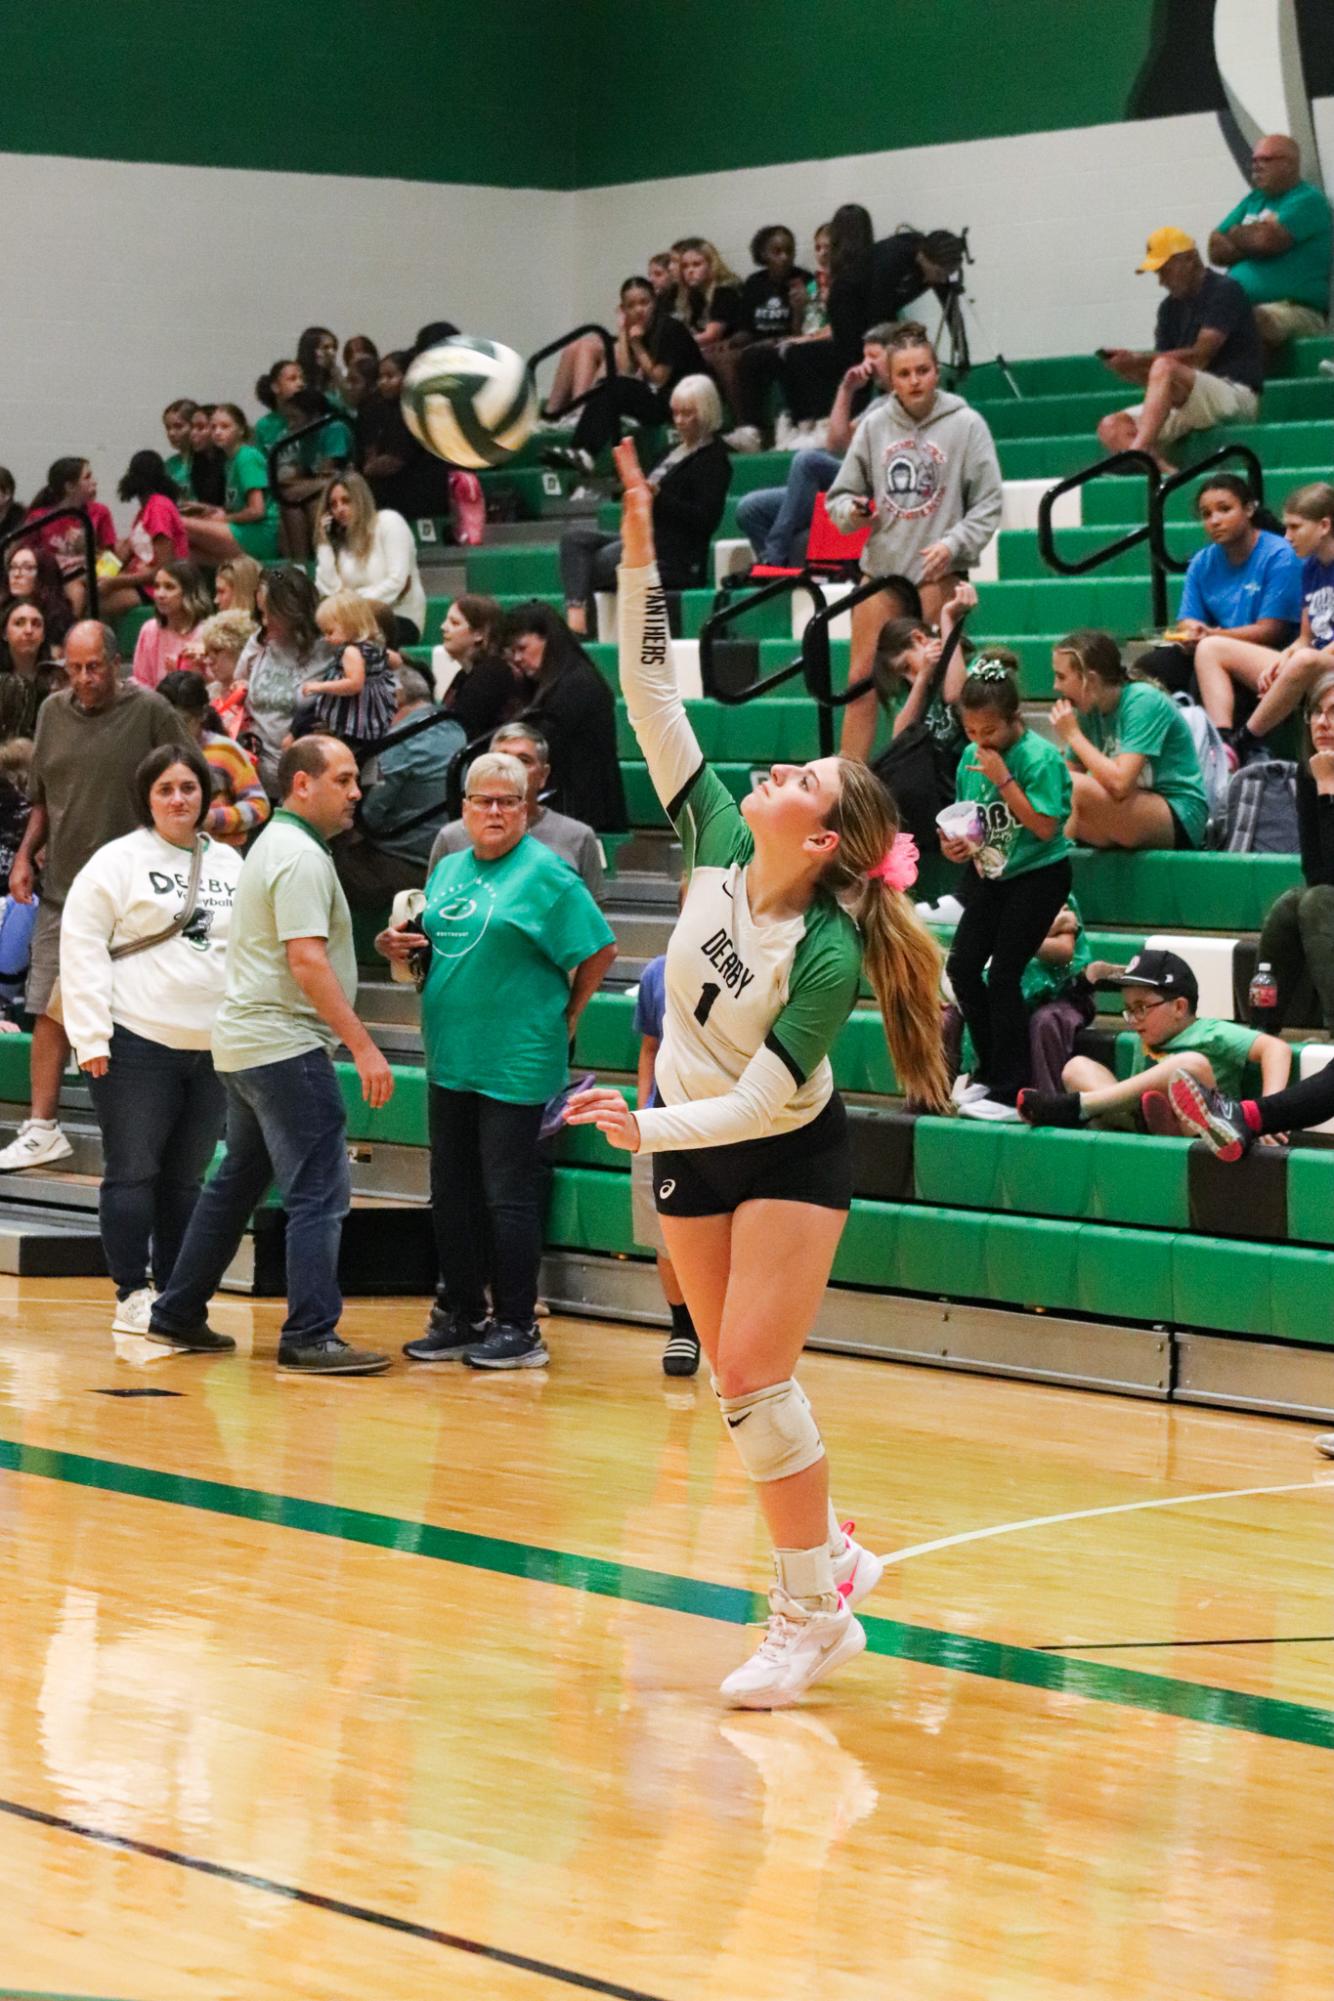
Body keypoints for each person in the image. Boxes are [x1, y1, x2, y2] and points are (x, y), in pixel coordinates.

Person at [566, 439, 949, 1708]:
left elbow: (756, 1106)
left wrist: (645, 1124)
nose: (772, 772)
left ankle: (807, 1614)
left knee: (749, 1372)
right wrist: (639, 546)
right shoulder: (721, 837)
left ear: (826, 834)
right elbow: (649, 689)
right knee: (736, 1388)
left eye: (800, 777)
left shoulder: (827, 955)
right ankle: (827, 1551)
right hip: (690, 1126)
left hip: (774, 1146)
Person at [145, 735, 393, 1374]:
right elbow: (305, 958)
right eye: (343, 779)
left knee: (235, 1187)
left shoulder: (276, 846)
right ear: (302, 785)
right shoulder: (301, 858)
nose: (356, 791)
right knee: (319, 1192)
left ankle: (176, 1311)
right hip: (283, 1045)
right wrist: (364, 1047)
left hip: (245, 1045)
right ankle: (310, 1334)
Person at [378, 749, 616, 1371]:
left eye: (507, 802)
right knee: (450, 1193)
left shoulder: (548, 874)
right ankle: (461, 1314)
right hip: (451, 1057)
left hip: (516, 1060)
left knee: (507, 1196)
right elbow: (427, 950)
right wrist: (391, 947)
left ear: (526, 807)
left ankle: (518, 1325)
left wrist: (569, 1013)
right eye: (482, 800)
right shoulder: (450, 866)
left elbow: (599, 949)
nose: (493, 811)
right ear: (464, 808)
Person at [58, 741, 243, 1337]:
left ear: (205, 795)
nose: (178, 799)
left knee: (186, 1178)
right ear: (146, 798)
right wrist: (91, 1038)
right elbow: (82, 947)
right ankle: (131, 1293)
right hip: (134, 1042)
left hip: (213, 1047)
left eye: (188, 787)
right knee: (133, 1171)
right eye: (165, 789)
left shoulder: (233, 865)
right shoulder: (117, 862)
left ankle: (175, 1299)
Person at [0, 621, 189, 1173]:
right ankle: (41, 1127)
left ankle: (144, 1136)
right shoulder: (51, 713)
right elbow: (42, 799)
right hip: (63, 889)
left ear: (117, 662)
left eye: (95, 667)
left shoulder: (152, 711)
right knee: (47, 1009)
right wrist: (23, 855)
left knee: (132, 1017)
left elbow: (188, 777)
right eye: (75, 669)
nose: (85, 679)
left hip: (135, 895)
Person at [828, 325, 1004, 760]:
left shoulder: (966, 424)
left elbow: (989, 502)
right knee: (861, 682)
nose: (914, 381)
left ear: (936, 371)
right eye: (904, 373)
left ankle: (950, 779)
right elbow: (839, 499)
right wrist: (854, 511)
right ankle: (849, 791)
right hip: (883, 571)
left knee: (945, 684)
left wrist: (955, 542)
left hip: (937, 570)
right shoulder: (873, 426)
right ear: (891, 377)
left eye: (922, 370)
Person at [939, 664, 1074, 1121]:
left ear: (1015, 716)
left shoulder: (1038, 758)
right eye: (971, 729)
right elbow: (974, 820)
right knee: (961, 967)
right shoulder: (970, 756)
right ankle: (989, 1070)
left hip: (1041, 874)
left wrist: (1003, 779)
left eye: (990, 729)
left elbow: (1044, 824)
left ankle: (1013, 1085)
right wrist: (956, 845)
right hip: (993, 874)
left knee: (1003, 975)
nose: (980, 738)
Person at [1019, 949, 1289, 1133]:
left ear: (1180, 1007)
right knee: (1076, 1067)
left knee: (1189, 1064)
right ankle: (1142, 1121)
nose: (1133, 1019)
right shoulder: (1146, 1032)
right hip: (1140, 1118)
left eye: (1141, 1007)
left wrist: (1270, 1114)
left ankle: (1080, 1106)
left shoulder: (1210, 1032)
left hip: (1205, 1131)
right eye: (1128, 1009)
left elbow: (1276, 1048)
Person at [559, 375, 730, 634]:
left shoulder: (714, 461)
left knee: (594, 563)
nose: (680, 421)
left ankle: (578, 628)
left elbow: (705, 520)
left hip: (673, 550)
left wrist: (659, 497)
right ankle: (577, 616)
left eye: (688, 414)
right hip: (642, 533)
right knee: (574, 540)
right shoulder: (668, 451)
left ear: (705, 413)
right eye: (676, 414)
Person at [1097, 230, 1264, 471]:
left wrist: (1140, 359)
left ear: (1190, 259)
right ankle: (1169, 476)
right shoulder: (1168, 308)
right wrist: (1129, 370)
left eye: (1164, 270)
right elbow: (1160, 378)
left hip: (1234, 395)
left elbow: (1200, 355)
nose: (1161, 280)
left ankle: (1140, 449)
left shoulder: (1225, 290)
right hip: (1188, 400)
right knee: (1111, 426)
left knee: (1164, 367)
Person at [1193, 481, 1334, 758]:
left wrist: (1296, 661)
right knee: (1211, 647)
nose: (1287, 535)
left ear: (1324, 526)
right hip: (1311, 665)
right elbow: (1305, 638)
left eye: (1295, 527)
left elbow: (1312, 652)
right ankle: (1222, 744)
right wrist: (1283, 660)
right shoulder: (1310, 570)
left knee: (1305, 660)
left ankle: (1242, 740)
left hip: (1322, 663)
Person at [735, 324, 895, 566]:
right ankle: (781, 570)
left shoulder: (901, 404)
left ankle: (775, 555)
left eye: (873, 357)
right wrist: (846, 389)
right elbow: (837, 443)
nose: (867, 365)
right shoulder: (878, 402)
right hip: (849, 481)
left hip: (873, 487)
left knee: (807, 460)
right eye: (864, 357)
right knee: (750, 508)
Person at [1134, 474, 1303, 698]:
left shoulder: (1280, 555)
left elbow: (1272, 630)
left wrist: (1214, 636)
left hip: (1271, 652)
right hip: (1214, 645)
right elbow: (1188, 618)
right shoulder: (1202, 562)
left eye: (1224, 509)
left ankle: (1219, 733)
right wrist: (1192, 631)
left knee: (1205, 670)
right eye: (1206, 514)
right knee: (1148, 668)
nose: (1214, 520)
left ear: (1249, 509)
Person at [1050, 629, 1209, 851]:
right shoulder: (1088, 711)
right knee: (1054, 788)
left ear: (1091, 679)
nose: (1055, 687)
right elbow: (1061, 781)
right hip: (1133, 807)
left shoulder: (1142, 701)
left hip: (1180, 813)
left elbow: (1120, 784)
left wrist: (1073, 736)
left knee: (1072, 786)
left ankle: (1055, 876)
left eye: (1061, 676)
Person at [1245, 670, 1334, 1032]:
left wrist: (1328, 791)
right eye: (1317, 712)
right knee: (1290, 905)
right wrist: (1324, 784)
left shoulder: (1322, 776)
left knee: (1316, 902)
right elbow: (1318, 869)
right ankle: (1261, 1033)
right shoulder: (1311, 771)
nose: (1323, 723)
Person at [430, 721, 603, 899]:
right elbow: (433, 911)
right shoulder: (451, 838)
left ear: (543, 775)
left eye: (524, 760)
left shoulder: (578, 837)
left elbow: (592, 921)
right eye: (501, 760)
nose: (512, 768)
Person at [335, 667, 462, 907]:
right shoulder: (454, 724)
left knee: (324, 855)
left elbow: (368, 818)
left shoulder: (399, 742)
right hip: (450, 854)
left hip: (408, 863)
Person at [631, 937, 700, 1376]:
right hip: (665, 1122)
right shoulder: (657, 973)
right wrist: (643, 1116)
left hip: (723, 1121)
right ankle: (682, 1328)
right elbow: (650, 1049)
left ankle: (724, 1332)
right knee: (665, 1234)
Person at [552, 277, 705, 474]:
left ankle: (585, 451)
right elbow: (625, 371)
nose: (639, 310)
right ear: (624, 309)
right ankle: (582, 452)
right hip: (663, 398)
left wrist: (636, 344)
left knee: (616, 387)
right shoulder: (637, 331)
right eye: (631, 305)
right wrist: (623, 332)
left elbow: (660, 378)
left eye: (644, 302)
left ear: (655, 302)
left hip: (688, 399)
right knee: (609, 384)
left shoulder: (670, 328)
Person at [503, 603, 627, 832]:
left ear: (548, 640)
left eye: (522, 648)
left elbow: (544, 746)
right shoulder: (563, 682)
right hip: (577, 808)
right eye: (513, 652)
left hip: (583, 813)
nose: (518, 658)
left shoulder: (576, 685)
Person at [1207, 134, 1331, 352]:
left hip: (1295, 310)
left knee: (1249, 320)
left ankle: (1246, 384)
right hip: (1245, 308)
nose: (1256, 167)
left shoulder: (1307, 200)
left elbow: (1267, 241)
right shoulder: (1253, 200)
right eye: (1254, 161)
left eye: (1265, 160)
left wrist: (1236, 233)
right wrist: (1253, 236)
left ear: (1289, 163)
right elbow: (1215, 249)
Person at [236, 566, 332, 795]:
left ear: (293, 610)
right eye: (260, 613)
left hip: (306, 774)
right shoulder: (258, 642)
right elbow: (238, 682)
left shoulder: (327, 647)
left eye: (271, 613)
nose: (265, 621)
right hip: (258, 773)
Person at [779, 203, 875, 431]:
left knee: (796, 355)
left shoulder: (850, 274)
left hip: (855, 346)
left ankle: (809, 421)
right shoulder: (860, 267)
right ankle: (806, 420)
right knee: (792, 352)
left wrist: (807, 339)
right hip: (851, 341)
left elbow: (844, 326)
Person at [157, 669, 270, 849]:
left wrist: (214, 818)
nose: (176, 731)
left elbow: (259, 805)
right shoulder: (155, 753)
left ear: (201, 715)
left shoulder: (225, 751)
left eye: (184, 722)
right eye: (168, 722)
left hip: (217, 858)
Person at [715, 225, 808, 440]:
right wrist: (732, 341)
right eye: (777, 252)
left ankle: (756, 427)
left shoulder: (803, 280)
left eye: (789, 251)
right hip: (758, 345)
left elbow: (802, 333)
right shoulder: (755, 283)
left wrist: (798, 310)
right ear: (764, 254)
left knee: (756, 356)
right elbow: (747, 328)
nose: (784, 257)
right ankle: (746, 429)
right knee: (727, 358)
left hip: (788, 344)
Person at [313, 471, 426, 643]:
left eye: (346, 501)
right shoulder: (341, 543)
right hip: (350, 622)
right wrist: (324, 543)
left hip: (397, 618)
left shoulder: (389, 522)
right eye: (333, 505)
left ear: (361, 499)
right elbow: (330, 591)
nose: (339, 509)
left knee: (350, 640)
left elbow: (397, 583)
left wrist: (351, 604)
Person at [181, 405, 280, 565]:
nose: (217, 432)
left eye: (225, 427)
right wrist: (209, 510)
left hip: (261, 532)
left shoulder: (247, 457)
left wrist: (224, 519)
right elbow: (238, 506)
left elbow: (257, 510)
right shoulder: (229, 461)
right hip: (244, 528)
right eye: (213, 427)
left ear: (240, 430)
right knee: (186, 553)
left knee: (178, 524)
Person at [301, 591, 395, 755]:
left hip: (353, 716)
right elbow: (396, 660)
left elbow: (354, 684)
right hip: (373, 712)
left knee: (350, 750)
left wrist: (321, 686)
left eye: (330, 632)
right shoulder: (374, 646)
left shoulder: (351, 652)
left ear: (350, 625)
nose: (326, 638)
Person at [100, 451, 191, 618]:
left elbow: (164, 569)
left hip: (155, 587)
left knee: (95, 604)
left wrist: (115, 582)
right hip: (140, 581)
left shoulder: (159, 508)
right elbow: (121, 557)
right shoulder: (145, 511)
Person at [357, 350, 445, 519]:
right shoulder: (376, 409)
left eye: (390, 376)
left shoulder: (418, 410)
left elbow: (396, 460)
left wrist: (369, 469)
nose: (383, 382)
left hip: (418, 483)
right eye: (380, 377)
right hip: (388, 484)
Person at [24, 458, 117, 613]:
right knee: (73, 588)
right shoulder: (38, 517)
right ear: (70, 486)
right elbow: (26, 556)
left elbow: (111, 558)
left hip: (90, 576)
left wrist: (89, 548)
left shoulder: (100, 512)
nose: (95, 482)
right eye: (87, 477)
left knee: (77, 588)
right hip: (51, 576)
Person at [431, 594, 522, 731]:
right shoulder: (464, 675)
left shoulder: (492, 674)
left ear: (479, 634)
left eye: (454, 623)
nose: (443, 627)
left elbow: (462, 730)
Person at [866, 226, 966, 333]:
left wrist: (960, 344)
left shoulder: (934, 266)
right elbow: (877, 313)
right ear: (922, 257)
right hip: (859, 306)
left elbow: (951, 311)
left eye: (947, 274)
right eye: (939, 273)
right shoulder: (891, 260)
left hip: (882, 310)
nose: (942, 280)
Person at [130, 561, 212, 690]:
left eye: (169, 587)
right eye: (157, 586)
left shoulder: (207, 633)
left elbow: (214, 686)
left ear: (188, 592)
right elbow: (140, 681)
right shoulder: (149, 630)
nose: (160, 594)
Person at [185, 608, 256, 739]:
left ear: (240, 651)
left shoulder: (255, 695)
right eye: (207, 652)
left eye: (217, 651)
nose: (208, 660)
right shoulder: (209, 693)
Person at [0, 600, 62, 740]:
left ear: (43, 636)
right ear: (4, 633)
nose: (28, 630)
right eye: (19, 623)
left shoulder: (57, 677)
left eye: (36, 624)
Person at [1, 544, 72, 649]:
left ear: (44, 574)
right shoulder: (4, 611)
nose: (16, 574)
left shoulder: (59, 619)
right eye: (13, 567)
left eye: (27, 568)